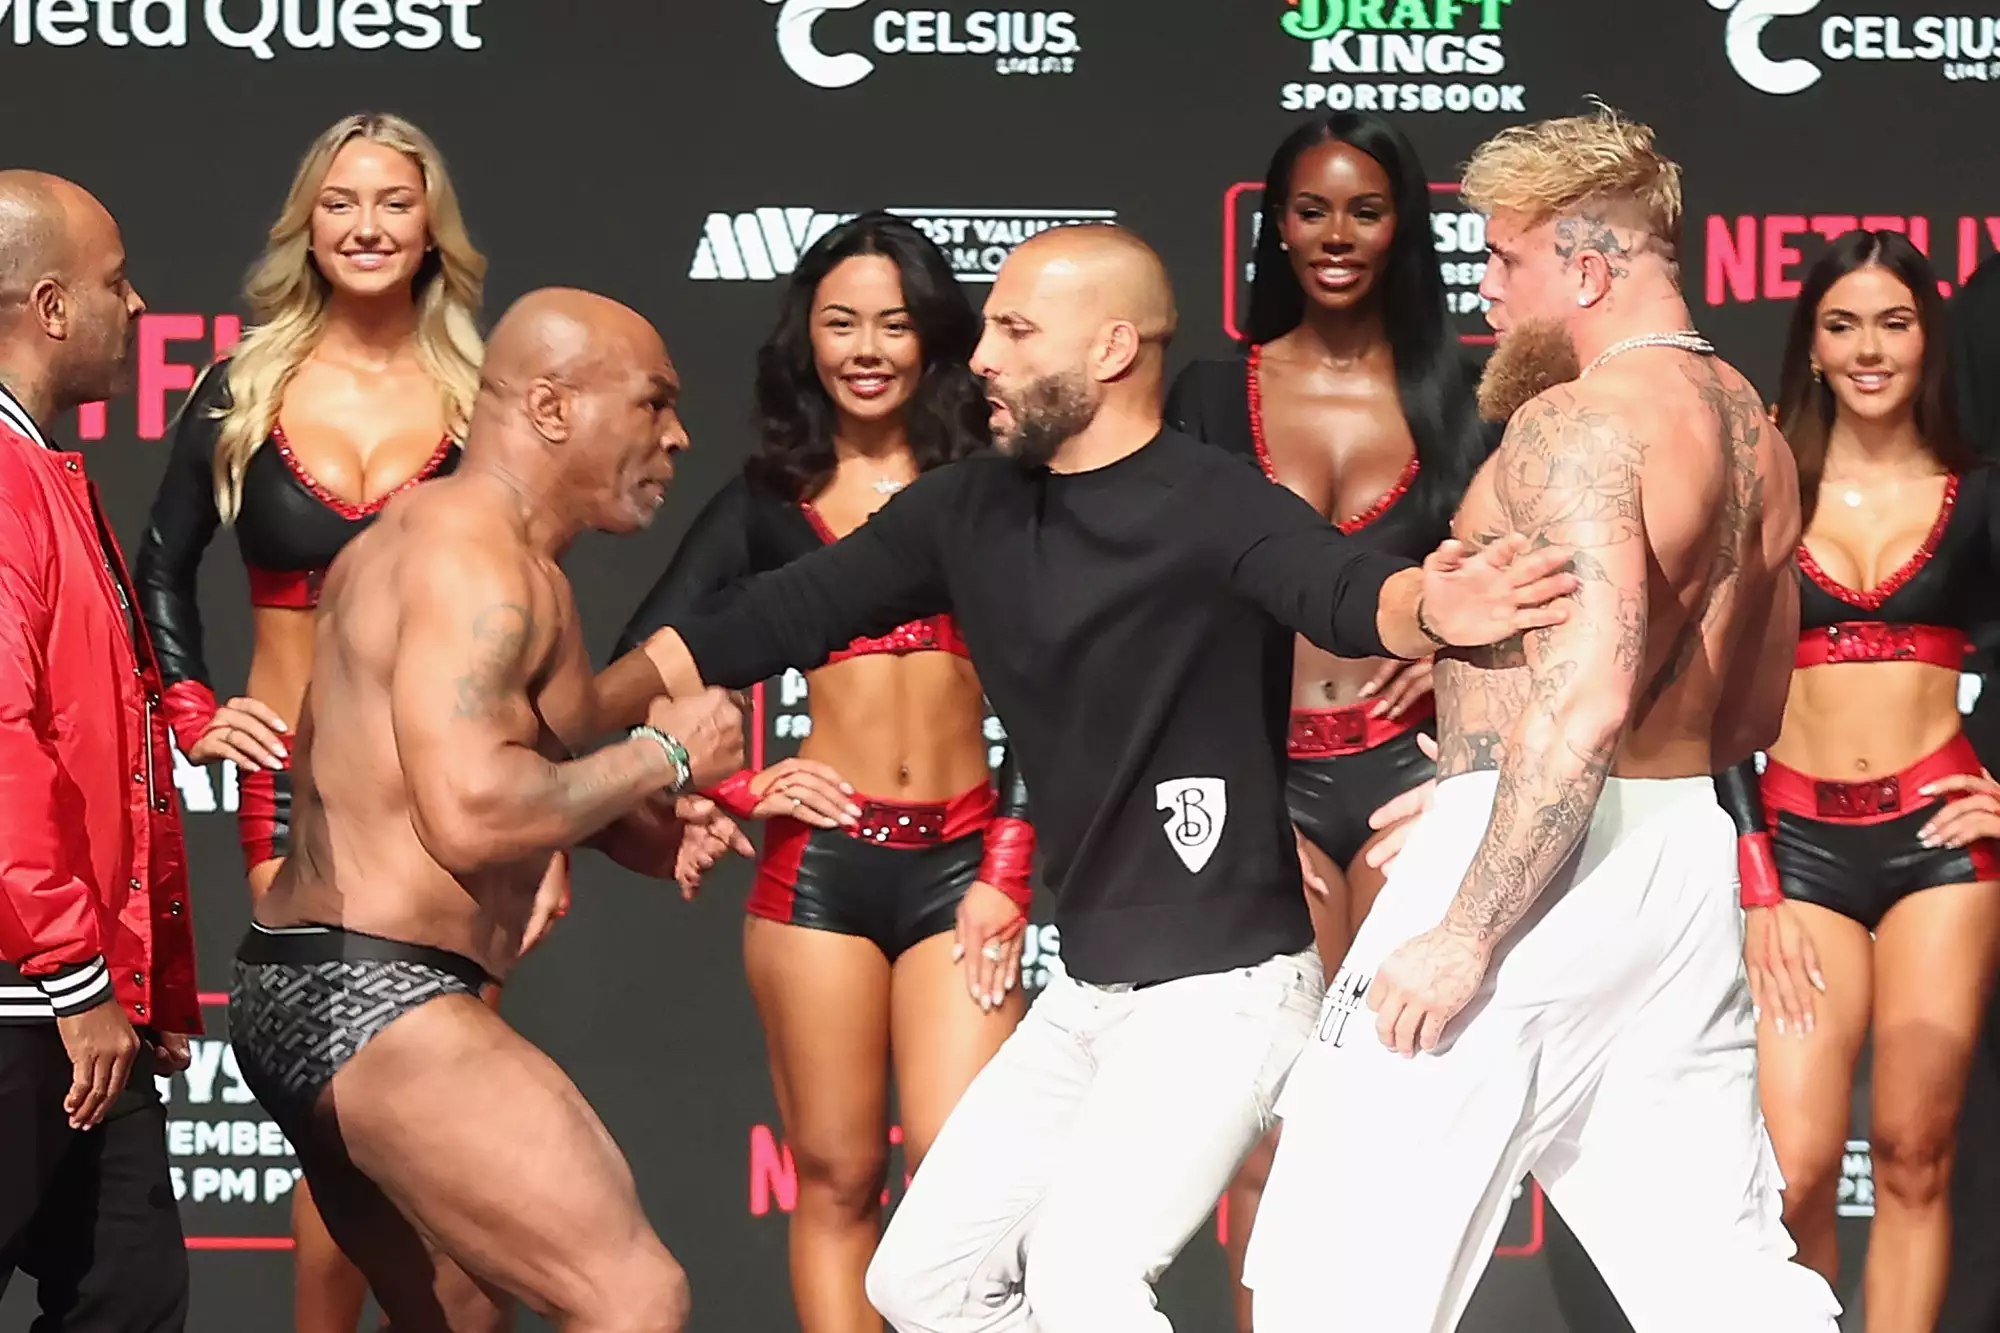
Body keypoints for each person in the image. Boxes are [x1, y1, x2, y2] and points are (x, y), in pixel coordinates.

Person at [620, 220, 1577, 1333]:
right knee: (917, 1281)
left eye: (1016, 330)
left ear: (1113, 347)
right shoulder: (967, 508)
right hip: (1088, 995)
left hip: (1223, 990)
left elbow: (1338, 587)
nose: (979, 355)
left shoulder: (1212, 499)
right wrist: (592, 705)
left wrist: (1430, 608)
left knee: (1083, 1280)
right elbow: (781, 611)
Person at [1241, 107, 1844, 1332]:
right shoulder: (1756, 434)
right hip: (1673, 856)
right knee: (1718, 1279)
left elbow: (1582, 697)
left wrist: (1471, 893)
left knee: (1332, 1275)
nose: (1483, 288)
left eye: (1503, 259)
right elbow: (1748, 711)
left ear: (1585, 265)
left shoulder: (1579, 422)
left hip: (1529, 865)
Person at [226, 287, 750, 1333]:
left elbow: (485, 764)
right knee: (635, 1296)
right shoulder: (480, 565)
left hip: (302, 984)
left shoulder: (440, 546)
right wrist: (662, 751)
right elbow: (467, 810)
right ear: (550, 407)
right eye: (653, 404)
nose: (678, 435)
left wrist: (646, 817)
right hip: (380, 996)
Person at [133, 113, 571, 1332]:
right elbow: (161, 561)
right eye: (341, 203)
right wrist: (190, 703)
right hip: (300, 787)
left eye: (393, 200)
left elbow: (531, 615)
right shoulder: (244, 383)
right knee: (345, 1109)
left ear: (433, 224)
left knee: (449, 1132)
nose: (368, 225)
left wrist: (542, 822)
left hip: (454, 795)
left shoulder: (485, 396)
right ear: (306, 226)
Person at [613, 212, 1034, 1333]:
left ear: (933, 338)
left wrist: (1009, 856)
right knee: (839, 1178)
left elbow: (1064, 678)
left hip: (967, 866)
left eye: (892, 325)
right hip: (818, 877)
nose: (865, 349)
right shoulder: (762, 501)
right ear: (805, 339)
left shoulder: (993, 485)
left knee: (957, 1181)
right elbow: (628, 677)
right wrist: (741, 783)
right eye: (840, 323)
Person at [1163, 112, 1490, 1332]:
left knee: (1397, 1119)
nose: (1336, 235)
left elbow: (1533, 598)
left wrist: (1458, 675)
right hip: (1256, 789)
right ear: (1274, 224)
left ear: (1402, 224)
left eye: (1364, 208)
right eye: (1311, 209)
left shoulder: (1461, 399)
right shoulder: (1204, 395)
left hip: (1405, 786)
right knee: (1268, 1124)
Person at [1716, 230, 2000, 1330]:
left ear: (1926, 338)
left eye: (1892, 321)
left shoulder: (1975, 497)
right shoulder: (1765, 489)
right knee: (1790, 1175)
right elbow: (1712, 692)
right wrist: (1750, 860)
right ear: (1810, 343)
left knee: (1913, 1152)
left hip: (1941, 849)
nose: (1867, 348)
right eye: (1841, 324)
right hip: (1796, 846)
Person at [0, 170, 199, 1331]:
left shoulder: (45, 468)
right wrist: (83, 980)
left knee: (129, 1292)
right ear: (51, 305)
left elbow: (99, 742)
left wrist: (145, 979)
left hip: (73, 1002)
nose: (139, 305)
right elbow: (6, 748)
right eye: (116, 283)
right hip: (31, 997)